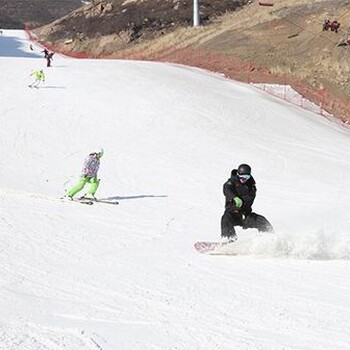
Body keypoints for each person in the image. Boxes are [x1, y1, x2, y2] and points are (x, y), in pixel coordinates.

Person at [221, 163, 273, 242]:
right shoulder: (232, 182)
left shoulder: (251, 186)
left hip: (245, 215)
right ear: (238, 175)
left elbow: (249, 199)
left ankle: (269, 240)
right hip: (233, 213)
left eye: (246, 177)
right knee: (225, 219)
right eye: (241, 177)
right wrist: (234, 197)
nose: (243, 179)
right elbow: (226, 189)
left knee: (261, 220)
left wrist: (242, 207)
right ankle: (229, 239)